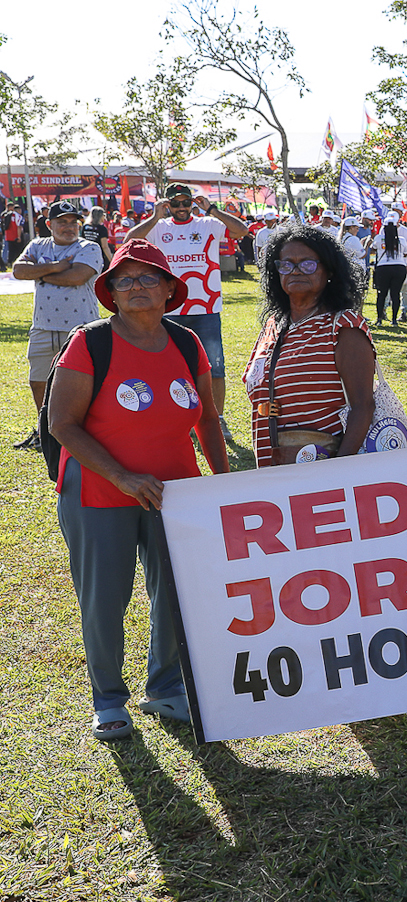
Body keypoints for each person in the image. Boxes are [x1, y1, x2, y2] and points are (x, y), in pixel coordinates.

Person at [49, 238, 229, 740]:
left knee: (175, 594)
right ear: (111, 292)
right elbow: (62, 423)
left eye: (148, 276)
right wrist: (122, 477)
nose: (136, 286)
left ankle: (165, 687)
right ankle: (108, 699)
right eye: (123, 280)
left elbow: (209, 420)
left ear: (170, 288)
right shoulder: (91, 342)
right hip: (98, 493)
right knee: (104, 598)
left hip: (177, 495)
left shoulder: (187, 342)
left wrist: (222, 482)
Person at [242, 222, 375, 467]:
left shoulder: (343, 326)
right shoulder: (273, 326)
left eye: (308, 264)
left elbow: (363, 406)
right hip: (273, 471)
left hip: (322, 472)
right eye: (286, 264)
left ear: (329, 271)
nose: (296, 271)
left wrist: (338, 470)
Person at [127, 183, 249, 440]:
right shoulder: (159, 228)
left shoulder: (208, 224)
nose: (181, 208)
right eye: (176, 203)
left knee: (214, 367)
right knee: (173, 368)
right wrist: (153, 217)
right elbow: (130, 242)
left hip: (206, 307)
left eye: (185, 202)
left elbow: (242, 231)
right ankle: (180, 419)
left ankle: (218, 419)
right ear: (167, 204)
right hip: (170, 309)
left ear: (193, 202)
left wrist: (213, 209)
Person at [12, 201, 105, 450]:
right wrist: (55, 267)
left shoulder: (89, 247)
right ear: (49, 224)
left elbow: (76, 277)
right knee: (38, 381)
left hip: (79, 328)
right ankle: (47, 433)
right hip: (42, 327)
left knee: (81, 383)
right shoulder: (37, 245)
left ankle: (83, 432)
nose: (69, 227)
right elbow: (19, 271)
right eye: (62, 222)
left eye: (73, 222)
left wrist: (38, 272)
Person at [371, 211, 407, 327]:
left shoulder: (379, 238)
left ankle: (379, 319)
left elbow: (373, 248)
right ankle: (394, 320)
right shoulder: (401, 240)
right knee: (396, 294)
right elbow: (405, 253)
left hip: (383, 268)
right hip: (399, 268)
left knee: (382, 294)